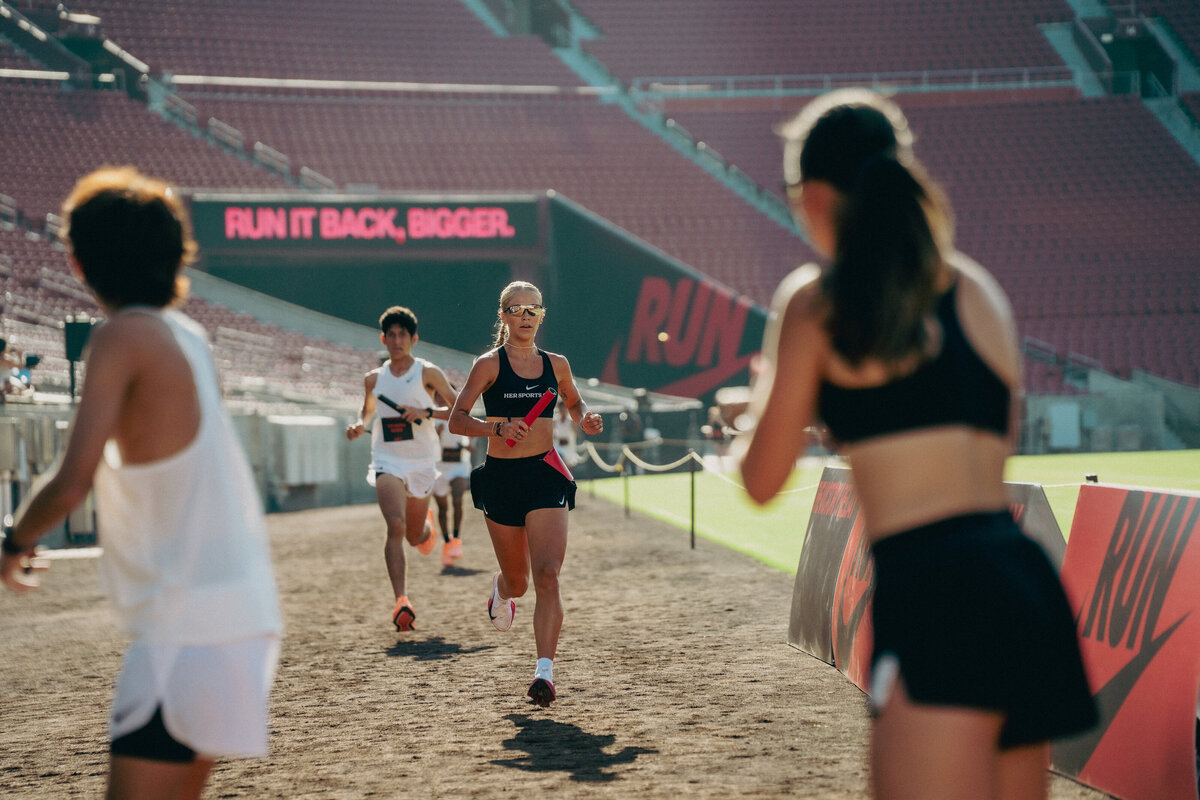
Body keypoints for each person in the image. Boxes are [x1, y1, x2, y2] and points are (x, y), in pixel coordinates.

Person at [737, 90, 1096, 799]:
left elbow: (761, 478)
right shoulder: (977, 289)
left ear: (814, 197)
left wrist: (766, 397)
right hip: (1022, 580)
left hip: (934, 590)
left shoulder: (817, 301)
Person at [0, 166, 282, 800]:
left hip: (186, 629)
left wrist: (13, 541)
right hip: (241, 615)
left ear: (78, 262)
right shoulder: (189, 336)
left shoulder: (122, 336)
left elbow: (72, 480)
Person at [448, 280, 603, 706]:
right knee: (519, 582)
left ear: (542, 315)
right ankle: (501, 592)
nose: (526, 316)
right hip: (501, 478)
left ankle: (544, 673)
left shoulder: (557, 364)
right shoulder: (488, 365)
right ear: (503, 316)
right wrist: (497, 427)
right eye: (516, 309)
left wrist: (586, 418)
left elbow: (575, 402)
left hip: (544, 474)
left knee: (547, 575)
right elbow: (457, 420)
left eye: (533, 309)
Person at [346, 305, 458, 632]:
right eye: (391, 335)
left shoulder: (428, 373)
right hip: (387, 459)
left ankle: (426, 528)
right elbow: (367, 412)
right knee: (394, 525)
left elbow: (459, 409)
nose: (396, 341)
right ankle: (402, 602)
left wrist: (425, 411)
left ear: (414, 339)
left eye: (402, 335)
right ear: (383, 339)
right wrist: (358, 425)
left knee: (412, 536)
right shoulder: (373, 379)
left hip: (421, 462)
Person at [432, 417, 473, 567]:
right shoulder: (432, 416)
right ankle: (447, 542)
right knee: (443, 508)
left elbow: (471, 434)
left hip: (459, 466)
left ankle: (456, 539)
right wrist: (436, 435)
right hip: (439, 468)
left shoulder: (461, 413)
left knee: (457, 500)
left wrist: (469, 445)